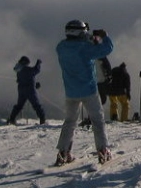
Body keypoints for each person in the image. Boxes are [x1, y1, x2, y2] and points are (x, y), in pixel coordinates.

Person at [54, 20, 114, 165]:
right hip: (89, 91)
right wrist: (104, 36)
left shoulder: (61, 47)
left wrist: (88, 40)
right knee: (97, 121)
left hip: (70, 91)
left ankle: (63, 151)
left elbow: (76, 47)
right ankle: (103, 150)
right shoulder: (85, 48)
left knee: (70, 122)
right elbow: (106, 49)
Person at [7, 56, 45, 125]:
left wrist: (34, 85)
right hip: (30, 90)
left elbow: (24, 79)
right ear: (24, 62)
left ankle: (12, 119)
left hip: (21, 90)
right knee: (36, 105)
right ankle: (42, 120)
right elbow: (36, 70)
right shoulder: (26, 69)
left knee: (19, 105)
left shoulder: (18, 70)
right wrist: (38, 63)